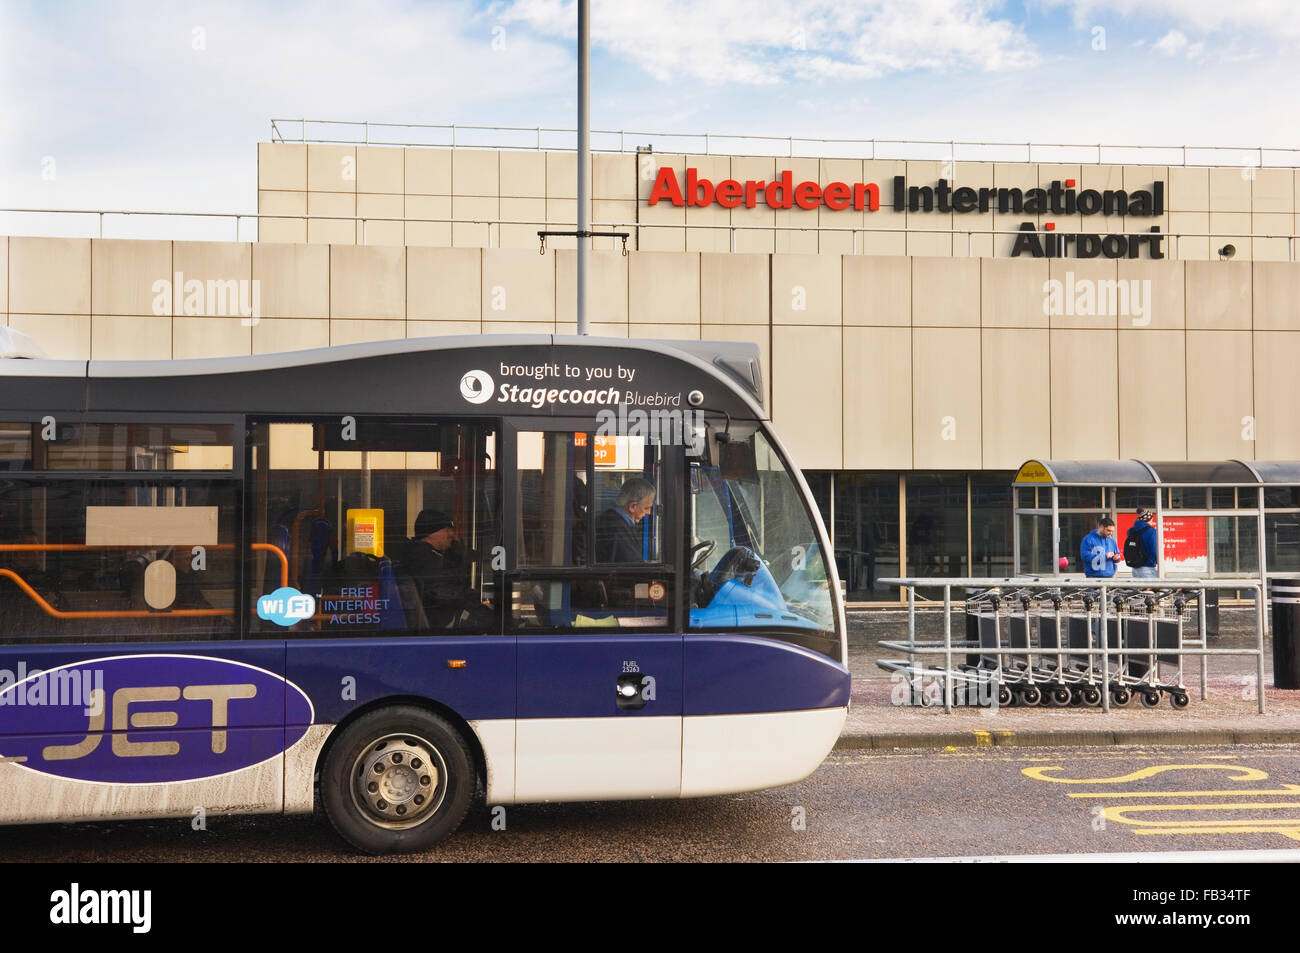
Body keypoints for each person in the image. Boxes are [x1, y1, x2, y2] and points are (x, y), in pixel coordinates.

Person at [392, 508, 486, 629]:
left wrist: (457, 546)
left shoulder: (426, 554)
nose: (451, 534)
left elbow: (470, 557)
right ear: (433, 532)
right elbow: (442, 592)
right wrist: (472, 599)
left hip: (440, 617)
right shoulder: (424, 559)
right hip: (441, 621)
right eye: (447, 530)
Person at [595, 478, 656, 563]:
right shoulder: (616, 527)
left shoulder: (612, 519)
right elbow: (631, 563)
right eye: (646, 508)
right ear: (632, 507)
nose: (649, 512)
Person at [1125, 508, 1159, 579]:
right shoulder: (1151, 531)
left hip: (1135, 568)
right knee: (1151, 589)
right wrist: (1156, 562)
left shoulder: (1131, 531)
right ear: (1149, 519)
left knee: (1139, 589)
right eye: (1152, 519)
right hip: (1148, 568)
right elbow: (1154, 551)